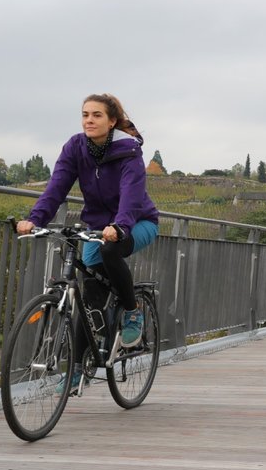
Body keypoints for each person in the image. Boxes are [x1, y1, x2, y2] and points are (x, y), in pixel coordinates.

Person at [16, 94, 160, 385]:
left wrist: (119, 226)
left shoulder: (128, 151)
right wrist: (36, 219)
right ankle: (77, 370)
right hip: (96, 225)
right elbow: (57, 186)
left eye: (96, 115)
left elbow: (132, 193)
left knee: (110, 252)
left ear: (112, 121)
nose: (89, 121)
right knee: (89, 296)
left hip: (137, 221)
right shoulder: (75, 147)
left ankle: (132, 312)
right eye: (85, 115)